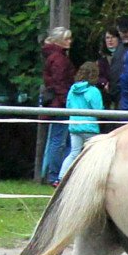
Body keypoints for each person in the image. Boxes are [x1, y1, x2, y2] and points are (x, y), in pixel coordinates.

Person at [57, 61, 103, 184]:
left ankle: (61, 177)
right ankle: (89, 180)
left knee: (73, 152)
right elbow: (98, 110)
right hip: (89, 128)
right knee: (91, 154)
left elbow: (68, 106)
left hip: (74, 126)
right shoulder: (94, 91)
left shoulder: (72, 89)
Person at [41, 26, 75, 187]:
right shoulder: (59, 59)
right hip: (61, 103)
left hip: (57, 101)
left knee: (62, 140)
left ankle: (58, 174)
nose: (70, 42)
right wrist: (66, 101)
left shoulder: (53, 56)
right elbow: (59, 83)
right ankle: (55, 175)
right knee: (59, 140)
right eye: (67, 38)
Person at [97, 26, 120, 110]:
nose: (110, 40)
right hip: (106, 96)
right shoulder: (102, 59)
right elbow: (98, 76)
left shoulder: (124, 55)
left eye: (113, 37)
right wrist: (104, 83)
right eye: (107, 38)